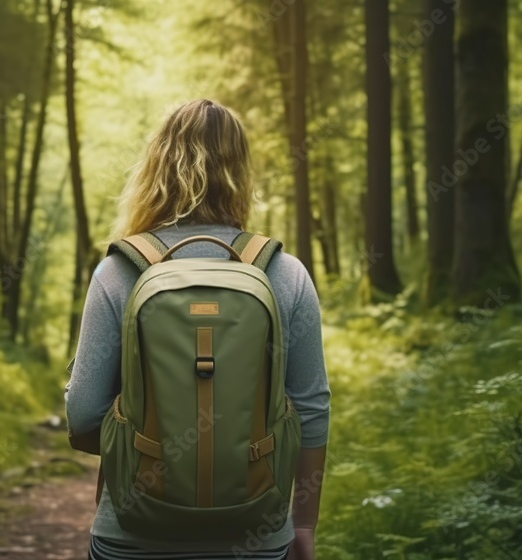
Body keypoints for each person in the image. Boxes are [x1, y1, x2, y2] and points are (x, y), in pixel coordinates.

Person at [65, 98, 330, 560]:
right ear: (241, 171)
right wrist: (303, 525)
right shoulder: (286, 274)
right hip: (256, 537)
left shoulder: (118, 271)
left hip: (132, 534)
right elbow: (311, 409)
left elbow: (83, 414)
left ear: (155, 166)